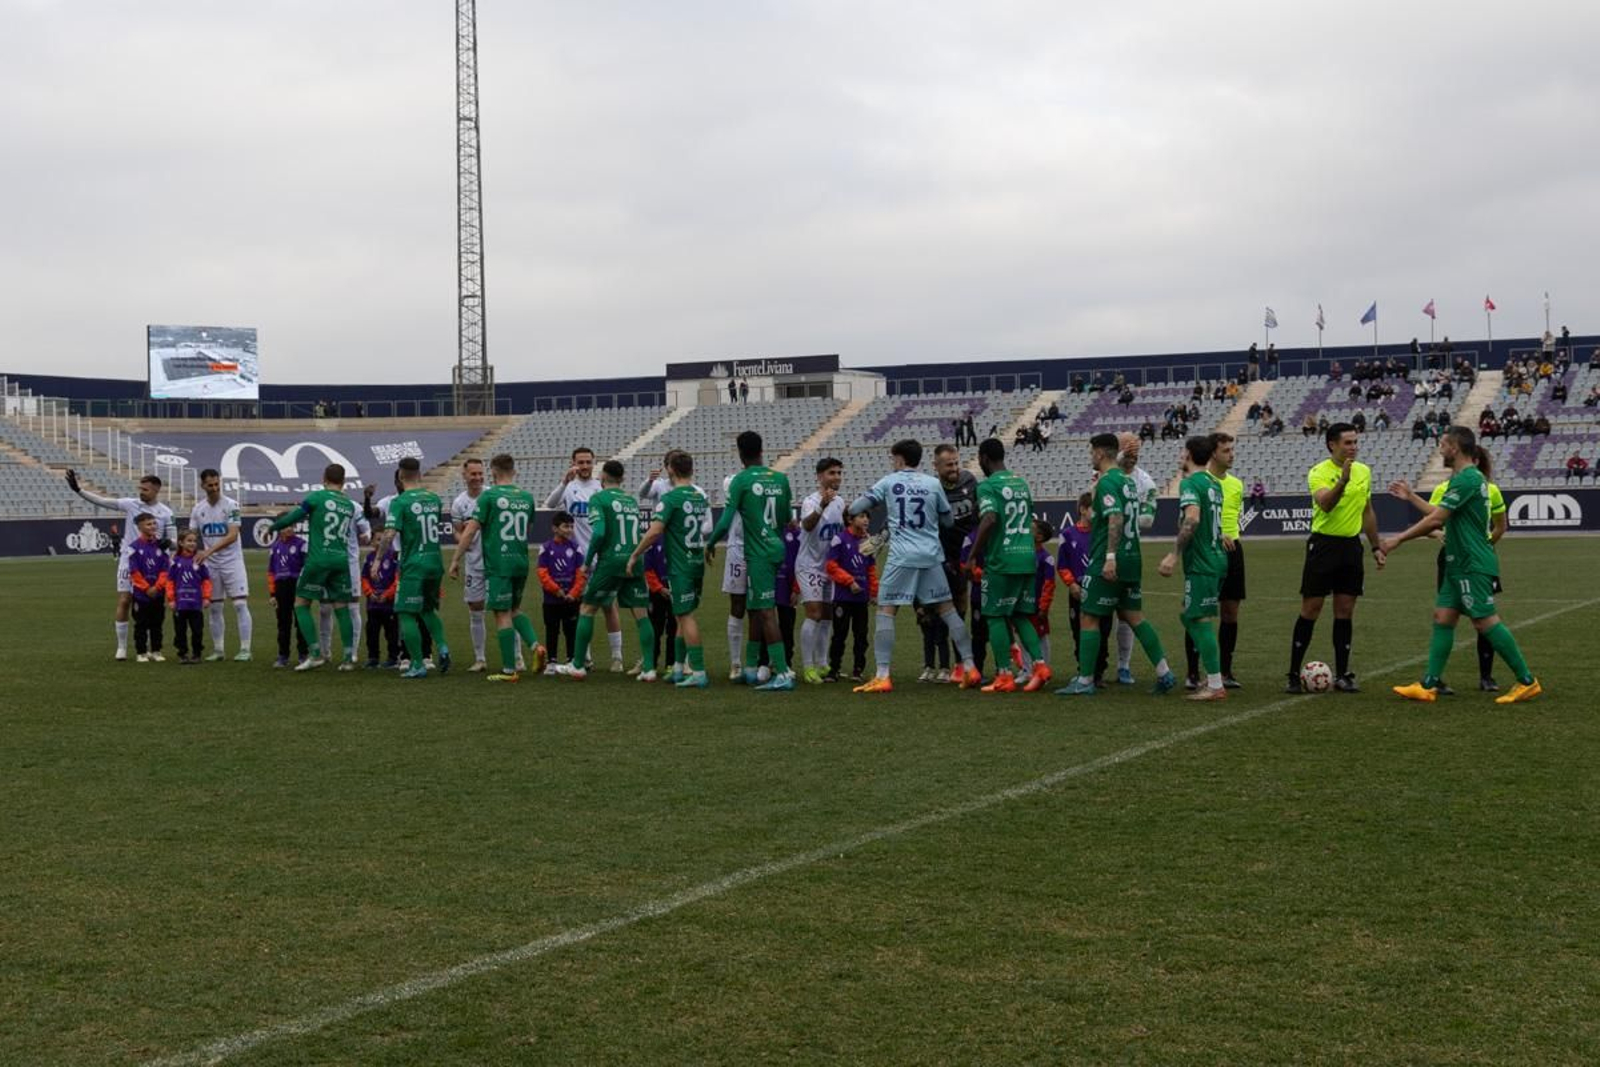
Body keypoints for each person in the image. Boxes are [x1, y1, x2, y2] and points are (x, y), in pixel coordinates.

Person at [1382, 427, 1541, 705]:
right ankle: (1428, 685)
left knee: (1484, 621)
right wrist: (1412, 498)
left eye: (1443, 444)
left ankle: (1527, 681)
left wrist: (1398, 539)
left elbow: (1436, 521)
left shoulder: (1467, 479)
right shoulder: (1465, 479)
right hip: (1458, 562)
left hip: (1471, 561)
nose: (1440, 449)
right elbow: (1441, 513)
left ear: (1454, 447)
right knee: (1443, 618)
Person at [844, 438, 978, 693]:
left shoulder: (889, 481)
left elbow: (855, 508)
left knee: (886, 611)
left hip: (902, 557)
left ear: (900, 459)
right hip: (930, 556)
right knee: (949, 611)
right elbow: (948, 521)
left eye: (893, 458)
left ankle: (883, 674)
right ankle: (970, 667)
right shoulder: (932, 484)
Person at [1056, 434, 1177, 696]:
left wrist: (1110, 557)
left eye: (1092, 452)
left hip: (1110, 558)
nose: (1091, 456)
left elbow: (1115, 518)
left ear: (1099, 453)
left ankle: (1085, 681)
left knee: (1089, 617)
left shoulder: (1109, 481)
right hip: (1133, 557)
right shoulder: (1127, 481)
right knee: (1134, 617)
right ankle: (1164, 672)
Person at [1390, 454, 1509, 693]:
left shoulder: (1491, 489)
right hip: (1451, 559)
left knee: (1483, 618)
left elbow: (1500, 525)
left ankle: (1487, 676)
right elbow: (1432, 522)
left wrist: (1484, 544)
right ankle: (1436, 680)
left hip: (1476, 560)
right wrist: (1438, 534)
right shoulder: (1444, 488)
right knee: (1445, 615)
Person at [1284, 423, 1385, 693]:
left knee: (1345, 611)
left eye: (1355, 442)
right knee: (1311, 609)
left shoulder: (1364, 471)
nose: (1353, 447)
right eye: (1348, 443)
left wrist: (1376, 546)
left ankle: (1343, 674)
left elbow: (1367, 511)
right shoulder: (1318, 472)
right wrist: (1342, 480)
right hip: (1324, 545)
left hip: (1351, 548)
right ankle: (1293, 674)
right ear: (1332, 445)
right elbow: (1325, 504)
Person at [552, 460, 656, 681]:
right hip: (634, 559)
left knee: (587, 608)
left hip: (611, 561)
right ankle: (649, 668)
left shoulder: (598, 498)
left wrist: (587, 561)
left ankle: (578, 665)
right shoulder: (630, 500)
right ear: (622, 479)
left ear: (602, 477)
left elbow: (598, 533)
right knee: (641, 613)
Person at [707, 433, 795, 689]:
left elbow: (725, 520)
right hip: (777, 548)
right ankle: (750, 666)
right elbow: (787, 516)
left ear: (739, 452)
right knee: (757, 607)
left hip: (758, 553)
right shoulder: (780, 478)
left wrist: (711, 543)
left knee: (766, 612)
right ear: (762, 450)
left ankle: (782, 673)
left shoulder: (740, 480)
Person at [448, 452, 546, 682]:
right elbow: (529, 527)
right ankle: (534, 646)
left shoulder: (488, 497)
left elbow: (470, 531)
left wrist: (455, 560)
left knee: (501, 613)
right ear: (514, 471)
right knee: (514, 609)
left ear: (492, 472)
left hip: (499, 563)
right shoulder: (527, 497)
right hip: (520, 561)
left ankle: (509, 670)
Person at [966, 438, 1050, 693]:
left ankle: (1003, 674)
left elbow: (990, 518)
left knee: (994, 615)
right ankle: (1039, 665)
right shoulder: (1021, 483)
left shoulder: (987, 486)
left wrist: (972, 555)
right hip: (1026, 556)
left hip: (1002, 560)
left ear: (983, 458)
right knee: (1021, 614)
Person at [65, 470, 176, 661]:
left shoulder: (166, 512)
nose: (141, 491)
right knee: (125, 600)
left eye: (145, 489)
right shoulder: (131, 504)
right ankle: (122, 647)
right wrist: (79, 490)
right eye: (140, 488)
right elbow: (103, 501)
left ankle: (152, 649)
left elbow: (173, 540)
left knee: (152, 604)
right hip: (130, 559)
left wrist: (169, 545)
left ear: (156, 490)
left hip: (155, 563)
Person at [628, 451, 711, 686]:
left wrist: (635, 554)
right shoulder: (699, 496)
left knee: (685, 617)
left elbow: (654, 531)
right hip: (696, 562)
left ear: (671, 470)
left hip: (680, 565)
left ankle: (698, 672)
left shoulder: (671, 498)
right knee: (681, 615)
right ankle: (676, 667)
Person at [269, 464, 360, 671]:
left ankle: (316, 654)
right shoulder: (349, 504)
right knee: (342, 608)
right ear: (343, 481)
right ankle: (347, 658)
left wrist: (274, 526)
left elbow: (294, 516)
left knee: (301, 604)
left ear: (324, 478)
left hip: (319, 559)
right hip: (341, 559)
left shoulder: (317, 497)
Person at [1160, 436, 1228, 701]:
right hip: (1215, 558)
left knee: (1196, 618)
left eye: (1182, 452)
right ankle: (1212, 678)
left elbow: (1193, 518)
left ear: (1188, 454)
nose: (1180, 456)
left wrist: (1173, 554)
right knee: (1190, 616)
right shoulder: (1214, 483)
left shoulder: (1190, 483)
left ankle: (1215, 684)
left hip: (1202, 562)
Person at [372, 457, 452, 679]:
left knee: (405, 612)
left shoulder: (400, 502)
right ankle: (443, 648)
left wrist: (378, 559)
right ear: (419, 474)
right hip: (435, 561)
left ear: (399, 475)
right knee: (427, 609)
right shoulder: (434, 499)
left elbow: (389, 534)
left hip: (414, 563)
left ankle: (417, 664)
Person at [545, 447, 624, 672]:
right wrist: (562, 482)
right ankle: (585, 656)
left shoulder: (601, 487)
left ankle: (617, 657)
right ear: (573, 463)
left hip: (601, 556)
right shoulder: (569, 487)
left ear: (594, 462)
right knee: (580, 607)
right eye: (580, 462)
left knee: (609, 606)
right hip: (576, 559)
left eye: (588, 462)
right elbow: (550, 504)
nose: (585, 466)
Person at [1110, 433, 1159, 686]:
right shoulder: (1104, 476)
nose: (1132, 453)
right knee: (1096, 613)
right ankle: (1093, 670)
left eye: (1136, 448)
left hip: (1128, 553)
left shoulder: (1146, 482)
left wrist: (1119, 516)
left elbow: (1148, 520)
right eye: (1127, 448)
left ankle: (1123, 666)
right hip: (1101, 551)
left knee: (1127, 614)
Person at [933, 444, 984, 680]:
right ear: (937, 466)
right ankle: (954, 663)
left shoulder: (969, 481)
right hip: (945, 558)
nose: (954, 468)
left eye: (956, 462)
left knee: (975, 608)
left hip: (972, 554)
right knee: (950, 609)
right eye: (949, 464)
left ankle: (967, 663)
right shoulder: (932, 489)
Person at [190, 468, 252, 661]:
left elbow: (233, 535)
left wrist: (207, 551)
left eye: (217, 484)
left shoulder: (231, 505)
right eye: (210, 485)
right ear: (203, 485)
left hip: (232, 562)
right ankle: (218, 650)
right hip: (211, 565)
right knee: (215, 607)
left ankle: (245, 649)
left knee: (240, 604)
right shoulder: (198, 509)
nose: (215, 488)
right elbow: (192, 536)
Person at [796, 458, 846, 684]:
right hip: (809, 566)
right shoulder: (810, 501)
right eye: (831, 473)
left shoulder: (841, 503)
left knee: (826, 616)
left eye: (838, 473)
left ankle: (822, 663)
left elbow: (842, 534)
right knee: (814, 613)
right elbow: (806, 525)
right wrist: (822, 506)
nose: (836, 477)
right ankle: (808, 667)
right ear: (819, 476)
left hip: (829, 567)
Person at [451, 457, 496, 672]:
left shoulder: (492, 496)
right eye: (473, 474)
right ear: (464, 475)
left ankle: (517, 657)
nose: (477, 477)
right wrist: (464, 540)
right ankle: (480, 658)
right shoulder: (459, 503)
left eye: (480, 473)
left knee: (505, 608)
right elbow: (457, 531)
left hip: (496, 562)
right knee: (475, 609)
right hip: (474, 563)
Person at [826, 510, 876, 682]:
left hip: (861, 597)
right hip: (843, 597)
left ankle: (858, 669)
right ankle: (834, 670)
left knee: (861, 634)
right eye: (862, 516)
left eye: (867, 516)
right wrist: (849, 581)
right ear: (849, 519)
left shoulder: (867, 541)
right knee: (839, 634)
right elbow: (831, 566)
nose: (866, 520)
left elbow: (870, 569)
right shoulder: (839, 539)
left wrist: (873, 591)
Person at [537, 511, 585, 669]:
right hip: (551, 599)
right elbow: (542, 573)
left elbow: (581, 574)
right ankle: (552, 661)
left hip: (571, 599)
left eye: (571, 526)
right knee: (552, 630)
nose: (569, 530)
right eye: (565, 526)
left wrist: (574, 593)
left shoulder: (576, 549)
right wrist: (555, 589)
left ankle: (572, 659)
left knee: (571, 630)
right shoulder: (545, 548)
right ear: (555, 529)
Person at [126, 513, 170, 662]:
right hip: (141, 594)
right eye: (148, 524)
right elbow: (134, 571)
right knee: (141, 624)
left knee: (157, 622)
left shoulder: (162, 545)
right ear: (139, 527)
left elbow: (165, 569)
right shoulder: (134, 547)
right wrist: (146, 588)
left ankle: (156, 650)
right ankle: (141, 652)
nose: (152, 527)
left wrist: (157, 587)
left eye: (153, 523)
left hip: (158, 592)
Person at [166, 529, 211, 665]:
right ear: (181, 543)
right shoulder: (175, 560)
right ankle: (182, 654)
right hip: (180, 603)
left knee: (197, 630)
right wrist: (171, 599)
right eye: (189, 541)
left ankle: (197, 654)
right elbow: (170, 582)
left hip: (195, 603)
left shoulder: (199, 560)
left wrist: (206, 597)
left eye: (194, 541)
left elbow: (206, 580)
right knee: (180, 631)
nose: (192, 543)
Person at [267, 525, 309, 667]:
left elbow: (307, 567)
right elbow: (271, 572)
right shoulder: (275, 547)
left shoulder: (302, 544)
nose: (290, 528)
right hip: (281, 588)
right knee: (283, 623)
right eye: (285, 526)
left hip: (298, 586)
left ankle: (304, 655)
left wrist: (306, 588)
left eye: (292, 525)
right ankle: (283, 655)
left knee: (301, 621)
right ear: (279, 528)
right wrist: (272, 593)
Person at [362, 541, 400, 669]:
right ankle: (373, 658)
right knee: (372, 631)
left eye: (381, 539)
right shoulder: (369, 557)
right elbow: (364, 578)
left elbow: (397, 579)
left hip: (389, 604)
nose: (379, 543)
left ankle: (393, 657)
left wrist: (388, 594)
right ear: (372, 542)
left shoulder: (394, 557)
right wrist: (369, 592)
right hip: (373, 604)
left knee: (392, 632)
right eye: (376, 539)